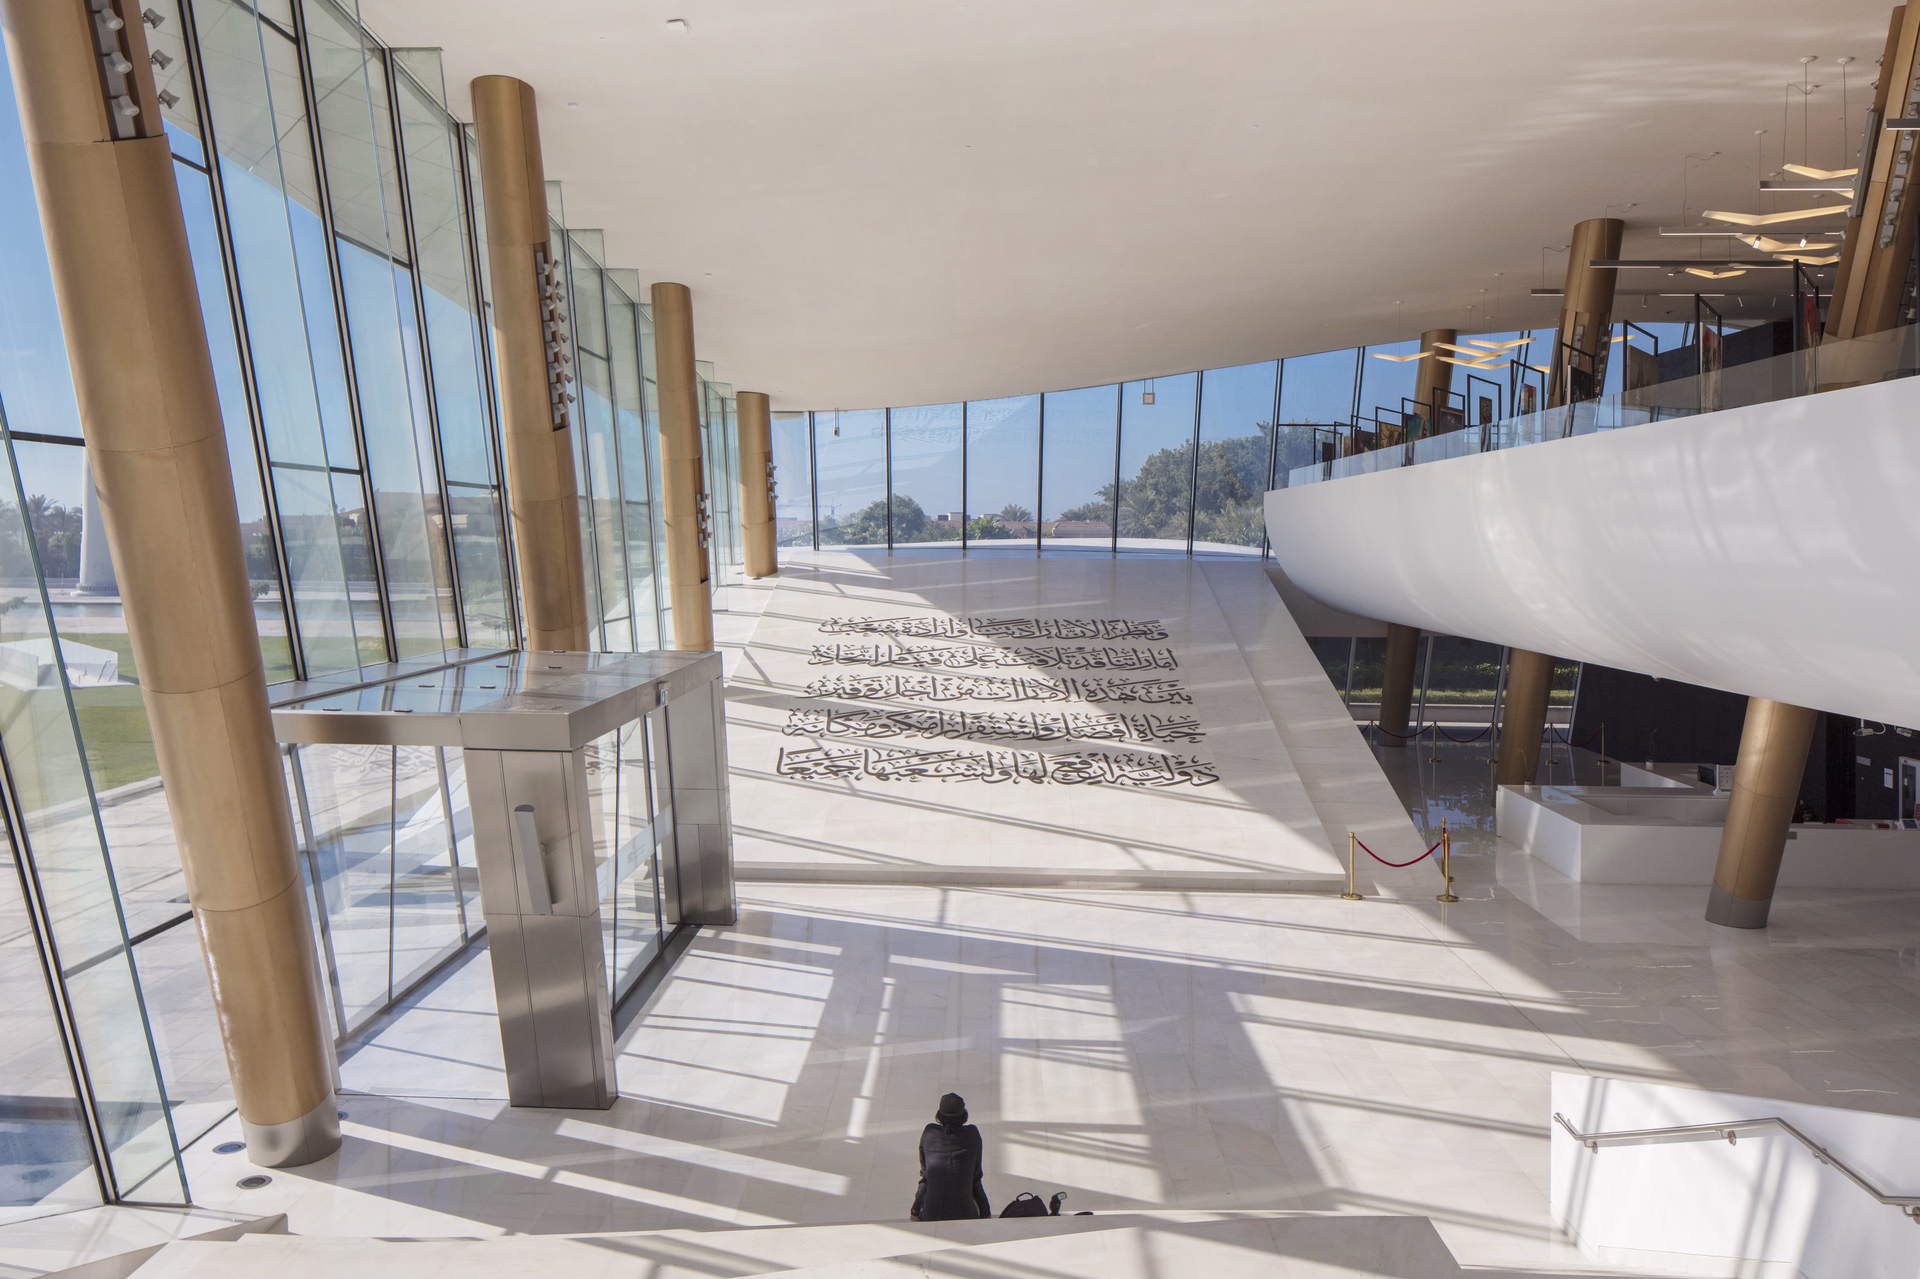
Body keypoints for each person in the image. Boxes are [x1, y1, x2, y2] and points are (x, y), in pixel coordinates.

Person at [909, 1092, 990, 1221]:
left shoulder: (930, 1133)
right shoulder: (972, 1135)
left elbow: (926, 1177)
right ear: (963, 1115)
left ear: (939, 1115)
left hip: (932, 1213)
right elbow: (976, 1178)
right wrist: (985, 1212)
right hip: (965, 1214)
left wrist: (915, 1209)